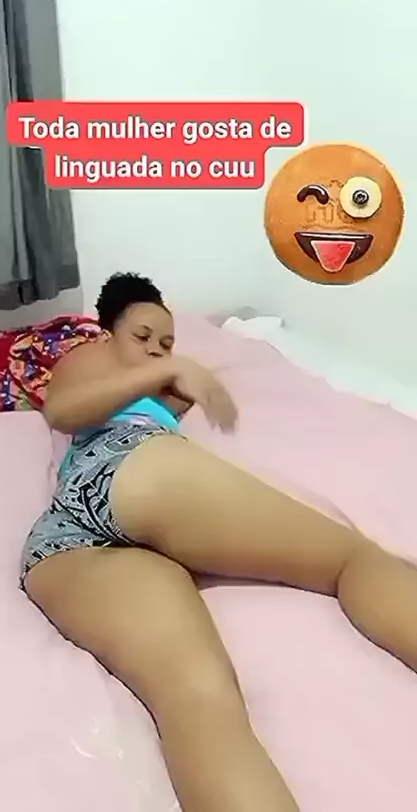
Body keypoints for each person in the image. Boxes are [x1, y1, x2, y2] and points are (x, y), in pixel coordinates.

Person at [22, 272, 417, 812]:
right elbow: (62, 410)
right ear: (107, 333)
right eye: (142, 337)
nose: (156, 350)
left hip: (74, 540)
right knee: (354, 559)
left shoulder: (161, 391)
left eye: (166, 343)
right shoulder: (93, 356)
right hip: (118, 470)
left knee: (197, 697)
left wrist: (176, 387)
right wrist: (166, 369)